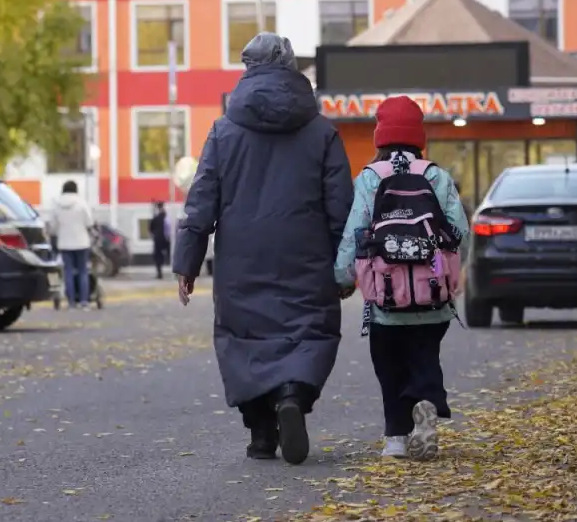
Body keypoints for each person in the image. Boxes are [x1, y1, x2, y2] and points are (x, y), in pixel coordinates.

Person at [174, 32, 354, 465]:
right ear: (292, 67)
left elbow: (202, 200)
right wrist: (346, 264)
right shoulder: (321, 132)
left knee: (245, 338)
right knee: (306, 328)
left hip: (242, 258)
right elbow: (341, 206)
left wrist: (187, 261)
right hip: (306, 254)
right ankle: (292, 394)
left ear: (247, 68)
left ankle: (260, 434)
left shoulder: (223, 131)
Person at [335, 96, 469, 461]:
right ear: (418, 135)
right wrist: (450, 278)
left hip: (386, 298)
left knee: (389, 362)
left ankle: (396, 437)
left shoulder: (369, 178)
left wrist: (343, 278)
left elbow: (355, 232)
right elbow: (459, 230)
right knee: (425, 355)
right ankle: (426, 400)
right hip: (433, 296)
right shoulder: (435, 176)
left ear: (380, 135)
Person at [47, 181, 95, 309]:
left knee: (68, 272)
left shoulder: (56, 205)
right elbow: (89, 222)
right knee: (83, 271)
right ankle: (84, 301)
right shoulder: (82, 203)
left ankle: (71, 302)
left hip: (64, 243)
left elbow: (52, 227)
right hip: (82, 242)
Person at [150, 201, 170, 279]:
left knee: (158, 256)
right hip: (167, 239)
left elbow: (151, 228)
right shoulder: (166, 217)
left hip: (158, 238)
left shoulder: (156, 217)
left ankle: (159, 274)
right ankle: (176, 273)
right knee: (171, 255)